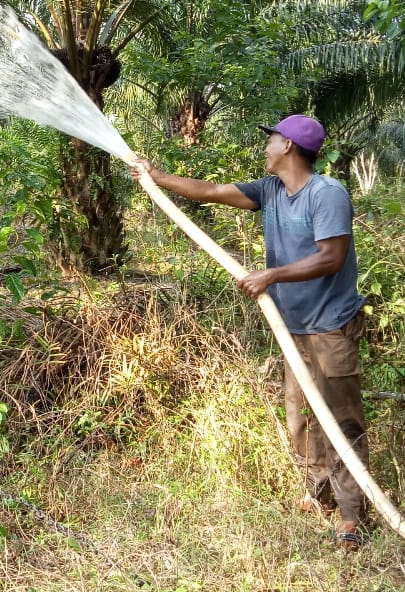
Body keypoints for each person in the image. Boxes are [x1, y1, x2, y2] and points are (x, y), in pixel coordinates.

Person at [130, 114, 369, 550]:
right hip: (293, 328)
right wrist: (157, 176)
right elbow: (210, 192)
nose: (266, 146)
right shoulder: (270, 190)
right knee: (299, 418)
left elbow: (331, 258)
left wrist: (271, 276)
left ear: (290, 148)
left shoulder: (327, 194)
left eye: (272, 139)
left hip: (331, 326)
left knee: (341, 421)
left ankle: (352, 516)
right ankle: (319, 494)